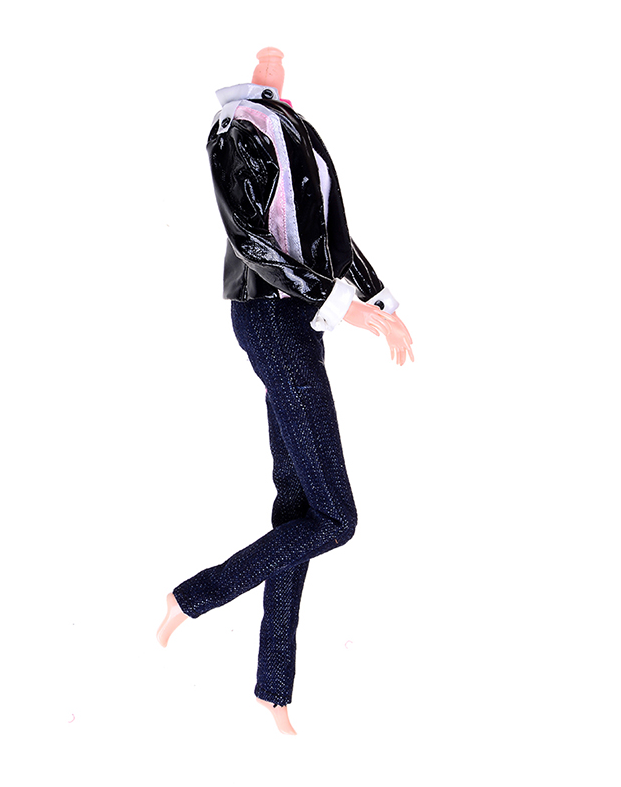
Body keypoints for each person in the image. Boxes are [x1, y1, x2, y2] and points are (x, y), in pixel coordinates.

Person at [158, 48, 413, 735]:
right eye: (269, 51)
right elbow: (249, 240)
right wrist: (349, 309)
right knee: (336, 519)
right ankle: (192, 598)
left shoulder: (292, 122)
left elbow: (331, 235)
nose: (278, 59)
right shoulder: (237, 125)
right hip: (272, 317)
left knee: (298, 507)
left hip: (298, 318)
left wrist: (379, 303)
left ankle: (273, 690)